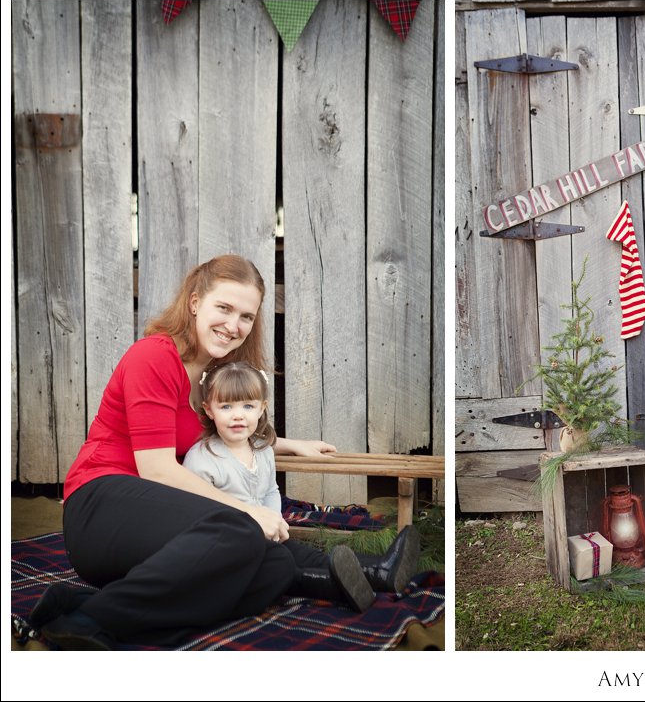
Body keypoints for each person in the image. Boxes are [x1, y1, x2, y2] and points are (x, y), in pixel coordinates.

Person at [27, 255, 414, 650]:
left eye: (246, 316)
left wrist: (288, 444)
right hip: (101, 507)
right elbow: (157, 468)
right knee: (241, 528)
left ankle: (374, 572)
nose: (233, 326)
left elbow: (220, 434)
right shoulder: (153, 357)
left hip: (155, 530)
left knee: (274, 564)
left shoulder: (214, 378)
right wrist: (247, 509)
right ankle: (87, 621)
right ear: (195, 303)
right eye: (224, 308)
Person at [183, 361, 418, 611]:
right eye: (226, 406)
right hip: (227, 545)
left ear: (262, 408)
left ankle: (382, 572)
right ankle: (340, 589)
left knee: (308, 556)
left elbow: (270, 491)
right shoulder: (203, 458)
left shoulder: (261, 450)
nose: (238, 415)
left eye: (248, 406)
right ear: (209, 410)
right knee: (283, 565)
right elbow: (195, 510)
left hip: (267, 534)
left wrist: (275, 519)